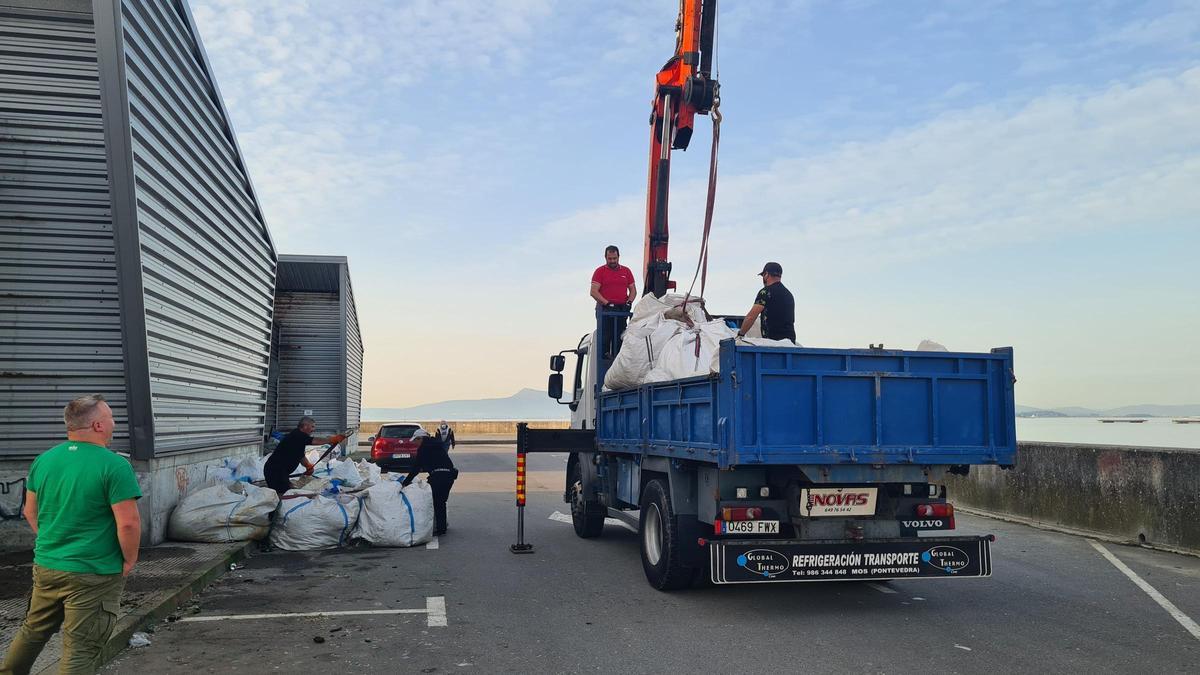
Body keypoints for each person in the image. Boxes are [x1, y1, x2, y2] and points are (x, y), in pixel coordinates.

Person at [1, 394, 142, 675]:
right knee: (81, 649)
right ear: (98, 425)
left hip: (48, 565)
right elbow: (128, 524)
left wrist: (54, 541)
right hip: (93, 571)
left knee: (33, 630)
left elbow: (30, 512)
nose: (114, 423)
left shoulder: (44, 460)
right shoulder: (114, 465)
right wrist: (128, 560)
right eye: (111, 418)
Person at [262, 417, 345, 495]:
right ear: (305, 426)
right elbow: (315, 440)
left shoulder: (298, 438)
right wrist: (331, 439)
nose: (313, 429)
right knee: (285, 496)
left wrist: (308, 465)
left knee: (290, 491)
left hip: (279, 472)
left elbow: (300, 455)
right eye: (312, 426)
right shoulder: (298, 435)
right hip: (275, 472)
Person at [401, 429, 458, 536]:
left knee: (435, 502)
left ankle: (438, 528)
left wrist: (405, 482)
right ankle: (442, 526)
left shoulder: (424, 448)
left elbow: (416, 468)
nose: (415, 444)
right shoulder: (437, 445)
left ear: (420, 438)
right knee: (441, 502)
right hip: (449, 476)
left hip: (438, 477)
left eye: (416, 441)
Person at [590, 245, 637, 358]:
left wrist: (629, 302)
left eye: (614, 258)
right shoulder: (600, 271)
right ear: (605, 257)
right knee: (606, 336)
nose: (612, 261)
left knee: (620, 336)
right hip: (605, 310)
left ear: (618, 257)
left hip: (621, 310)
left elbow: (633, 290)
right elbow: (593, 291)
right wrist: (607, 303)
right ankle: (605, 357)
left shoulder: (626, 271)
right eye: (609, 259)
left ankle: (618, 358)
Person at [737, 262, 796, 343]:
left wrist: (740, 335)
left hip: (772, 343)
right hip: (789, 343)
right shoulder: (788, 295)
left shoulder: (765, 292)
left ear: (766, 274)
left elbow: (751, 317)